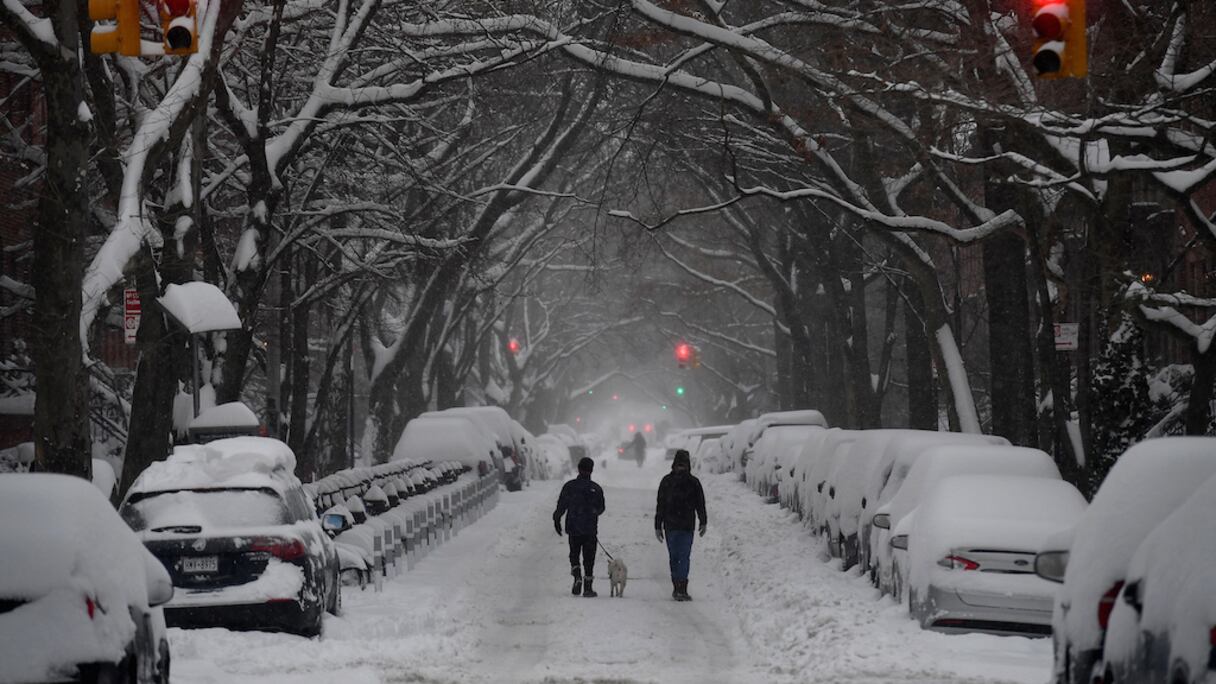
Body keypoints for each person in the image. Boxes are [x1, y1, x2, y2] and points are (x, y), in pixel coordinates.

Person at [655, 449, 707, 601]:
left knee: (682, 556)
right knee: (676, 556)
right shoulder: (678, 482)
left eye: (683, 465)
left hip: (683, 526)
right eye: (679, 465)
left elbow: (700, 504)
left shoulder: (679, 482)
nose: (681, 468)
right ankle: (678, 586)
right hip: (675, 526)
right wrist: (658, 525)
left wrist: (703, 520)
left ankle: (681, 587)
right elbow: (660, 505)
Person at [553, 456, 606, 597]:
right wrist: (593, 511)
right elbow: (601, 508)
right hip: (589, 529)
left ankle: (576, 575)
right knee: (589, 557)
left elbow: (561, 505)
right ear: (591, 470)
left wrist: (557, 519)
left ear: (579, 469)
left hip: (574, 527)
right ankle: (588, 586)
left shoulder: (570, 486)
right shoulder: (596, 488)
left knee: (574, 554)